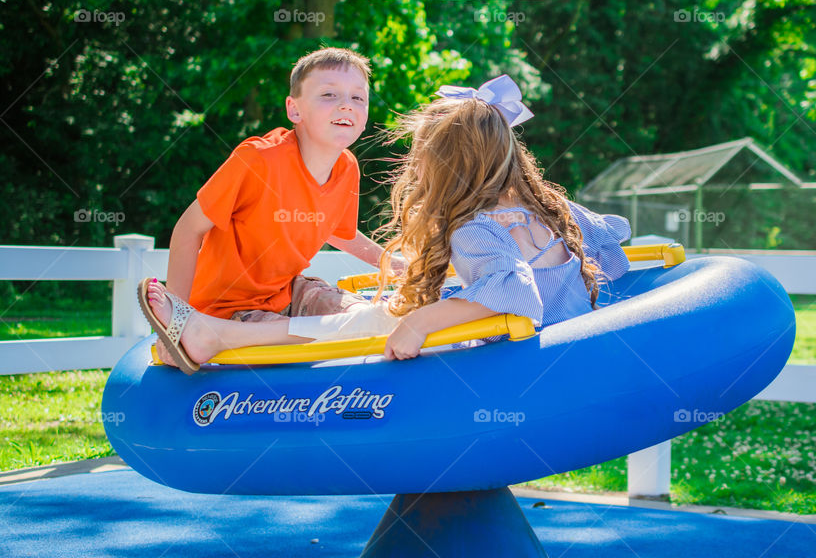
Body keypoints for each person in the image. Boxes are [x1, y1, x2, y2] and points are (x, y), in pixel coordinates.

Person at [141, 75, 631, 373]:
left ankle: (213, 336)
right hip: (556, 353)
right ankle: (213, 329)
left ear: (444, 167)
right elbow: (614, 241)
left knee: (377, 320)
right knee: (379, 311)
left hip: (512, 365)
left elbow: (515, 289)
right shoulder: (554, 211)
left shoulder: (476, 229)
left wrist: (420, 322)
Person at [155, 48, 397, 372]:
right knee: (344, 333)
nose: (346, 105)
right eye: (329, 94)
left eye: (358, 97)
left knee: (380, 318)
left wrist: (393, 263)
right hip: (228, 306)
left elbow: (340, 233)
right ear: (294, 110)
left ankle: (224, 336)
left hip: (289, 293)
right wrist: (177, 319)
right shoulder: (259, 160)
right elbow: (188, 229)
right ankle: (206, 333)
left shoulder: (347, 168)